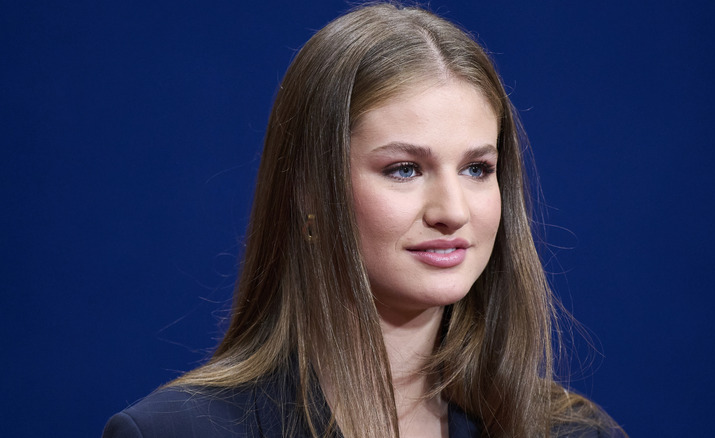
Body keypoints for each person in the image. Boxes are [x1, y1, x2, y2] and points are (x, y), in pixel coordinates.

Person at [104, 3, 625, 437]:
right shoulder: (176, 432)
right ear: (309, 190)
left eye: (476, 168)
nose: (452, 211)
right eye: (404, 169)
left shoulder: (574, 433)